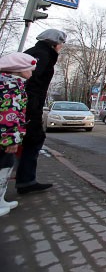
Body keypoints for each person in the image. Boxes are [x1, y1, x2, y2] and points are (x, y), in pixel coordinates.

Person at [15, 29, 66, 195]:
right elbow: (32, 82)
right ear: (55, 43)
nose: (61, 47)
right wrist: (32, 109)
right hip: (28, 106)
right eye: (61, 43)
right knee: (33, 139)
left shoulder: (36, 52)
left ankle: (23, 178)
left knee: (21, 141)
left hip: (24, 105)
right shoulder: (42, 55)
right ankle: (25, 181)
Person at [0, 52, 37, 215]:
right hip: (5, 136)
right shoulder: (12, 86)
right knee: (4, 166)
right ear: (19, 70)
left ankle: (1, 200)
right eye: (30, 70)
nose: (31, 73)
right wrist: (12, 140)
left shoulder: (6, 83)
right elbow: (10, 114)